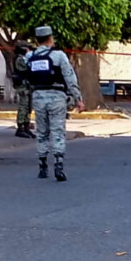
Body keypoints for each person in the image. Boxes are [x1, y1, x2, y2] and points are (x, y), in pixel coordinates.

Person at [26, 26, 84, 181]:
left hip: (38, 97)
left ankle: (42, 166)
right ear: (50, 38)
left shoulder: (29, 56)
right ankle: (58, 165)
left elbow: (26, 78)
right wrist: (78, 99)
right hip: (57, 97)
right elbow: (70, 78)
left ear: (36, 40)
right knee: (57, 131)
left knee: (42, 132)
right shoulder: (58, 56)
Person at [12, 41, 35, 139]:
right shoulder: (20, 59)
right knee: (23, 106)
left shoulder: (24, 58)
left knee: (28, 107)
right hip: (22, 86)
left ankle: (26, 127)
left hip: (27, 86)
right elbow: (27, 69)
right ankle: (20, 128)